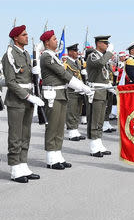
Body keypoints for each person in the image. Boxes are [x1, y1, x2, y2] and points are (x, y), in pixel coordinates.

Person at [40, 31, 93, 169]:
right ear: (47, 43)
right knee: (52, 127)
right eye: (54, 39)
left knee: (59, 127)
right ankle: (51, 158)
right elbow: (63, 74)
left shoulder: (54, 56)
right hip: (52, 95)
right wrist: (82, 86)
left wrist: (82, 87)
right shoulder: (46, 56)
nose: (57, 41)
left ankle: (58, 155)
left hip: (60, 94)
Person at [2, 25, 43, 183]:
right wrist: (28, 97)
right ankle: (14, 168)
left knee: (25, 135)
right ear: (15, 38)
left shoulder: (25, 54)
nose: (27, 37)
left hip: (27, 99)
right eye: (24, 35)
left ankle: (23, 164)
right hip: (17, 101)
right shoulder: (9, 55)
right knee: (15, 136)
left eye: (26, 34)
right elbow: (11, 82)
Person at [86, 35, 114, 157]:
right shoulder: (93, 56)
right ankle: (93, 146)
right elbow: (100, 64)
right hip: (96, 91)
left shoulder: (102, 56)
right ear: (98, 44)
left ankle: (99, 143)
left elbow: (105, 74)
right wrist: (109, 53)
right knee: (94, 119)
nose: (107, 45)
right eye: (105, 43)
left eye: (107, 43)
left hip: (103, 90)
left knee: (100, 119)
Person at [64, 43, 87, 141]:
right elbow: (68, 79)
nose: (78, 53)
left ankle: (75, 129)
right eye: (75, 51)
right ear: (70, 52)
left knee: (77, 111)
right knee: (71, 111)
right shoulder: (67, 64)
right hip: (71, 91)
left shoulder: (77, 62)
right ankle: (71, 131)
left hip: (79, 90)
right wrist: (79, 87)